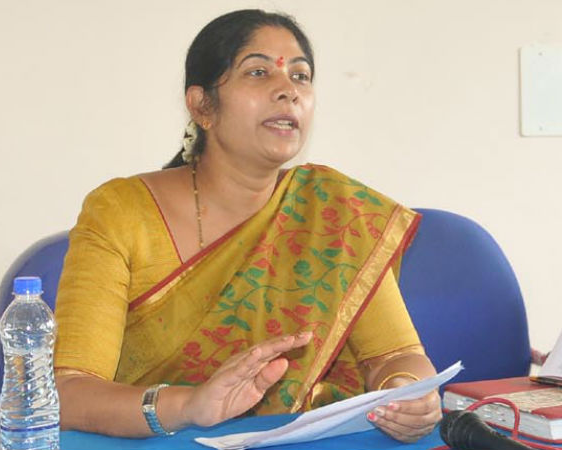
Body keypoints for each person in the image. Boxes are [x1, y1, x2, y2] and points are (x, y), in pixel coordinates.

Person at [53, 9, 442, 443]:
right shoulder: (121, 211)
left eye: (301, 76)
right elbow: (69, 394)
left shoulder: (332, 212)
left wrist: (407, 394)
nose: (288, 91)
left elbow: (398, 356)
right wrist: (189, 405)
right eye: (258, 72)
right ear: (202, 105)